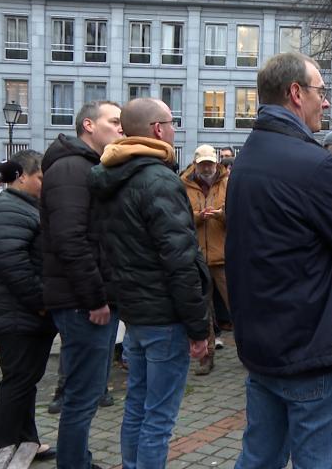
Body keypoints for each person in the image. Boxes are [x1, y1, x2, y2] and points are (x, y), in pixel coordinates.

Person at [225, 52, 332, 468]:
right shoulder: (318, 166)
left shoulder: (245, 160)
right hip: (315, 351)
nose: (326, 101)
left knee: (258, 459)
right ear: (296, 93)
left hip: (262, 347)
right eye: (321, 91)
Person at [88, 97, 209, 469]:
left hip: (136, 314)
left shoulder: (111, 177)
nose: (174, 129)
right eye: (172, 123)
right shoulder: (158, 179)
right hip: (164, 316)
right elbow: (179, 259)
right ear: (158, 129)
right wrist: (198, 327)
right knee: (158, 416)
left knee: (138, 407)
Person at [40, 100, 123, 469]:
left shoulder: (86, 165)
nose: (121, 129)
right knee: (82, 395)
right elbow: (70, 239)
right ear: (89, 125)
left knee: (85, 393)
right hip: (81, 303)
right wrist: (95, 299)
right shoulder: (72, 168)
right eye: (114, 122)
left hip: (84, 299)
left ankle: (78, 460)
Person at [0, 152, 57, 462]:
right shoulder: (9, 209)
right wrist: (41, 302)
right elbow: (12, 264)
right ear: (21, 176)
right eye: (40, 178)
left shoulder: (25, 207)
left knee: (25, 382)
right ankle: (3, 448)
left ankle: (27, 441)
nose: (45, 185)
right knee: (17, 381)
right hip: (17, 315)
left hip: (25, 314)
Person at [180, 144, 231, 375]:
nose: (207, 168)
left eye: (210, 163)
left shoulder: (228, 182)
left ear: (216, 162)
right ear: (195, 164)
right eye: (203, 164)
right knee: (204, 311)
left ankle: (251, 350)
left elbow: (239, 214)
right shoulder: (183, 185)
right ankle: (206, 356)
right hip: (197, 256)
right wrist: (198, 217)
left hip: (224, 256)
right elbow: (178, 217)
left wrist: (221, 216)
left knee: (237, 305)